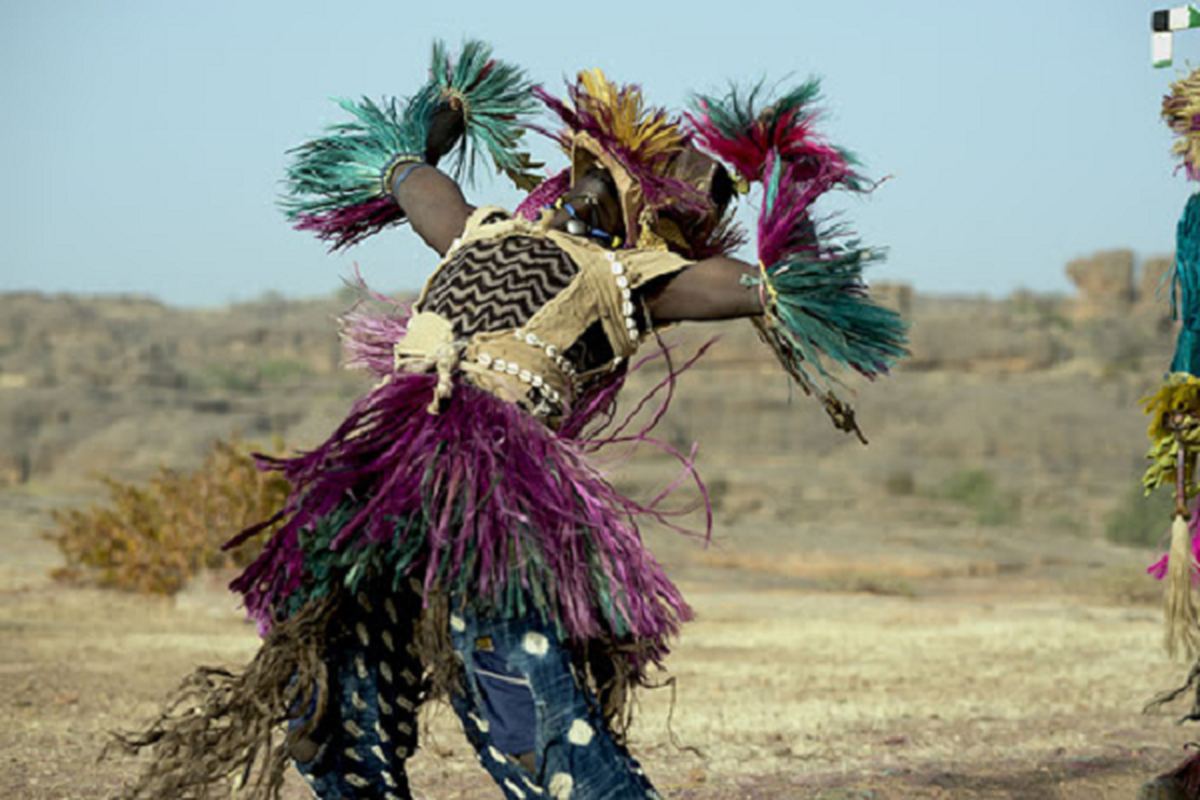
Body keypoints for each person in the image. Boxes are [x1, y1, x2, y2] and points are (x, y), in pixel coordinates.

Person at [117, 41, 907, 800]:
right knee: (327, 671)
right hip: (378, 464)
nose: (576, 188)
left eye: (607, 183)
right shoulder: (484, 228)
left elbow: (770, 287)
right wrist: (451, 109)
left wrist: (785, 176)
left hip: (490, 479)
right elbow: (404, 168)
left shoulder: (632, 276)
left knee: (519, 695)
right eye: (582, 172)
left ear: (641, 215)